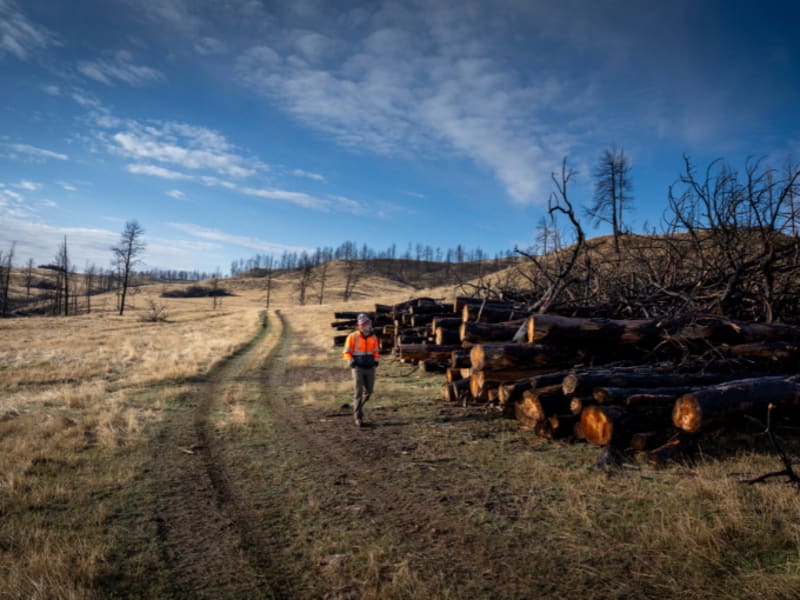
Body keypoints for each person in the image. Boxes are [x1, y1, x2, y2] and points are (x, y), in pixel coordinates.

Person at [343, 313, 380, 427]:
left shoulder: (373, 337)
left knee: (369, 392)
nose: (368, 326)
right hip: (357, 368)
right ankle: (358, 417)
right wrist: (350, 361)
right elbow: (346, 351)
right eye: (365, 324)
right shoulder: (352, 337)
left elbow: (376, 351)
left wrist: (376, 359)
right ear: (360, 326)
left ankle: (356, 406)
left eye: (369, 323)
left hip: (370, 368)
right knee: (358, 392)